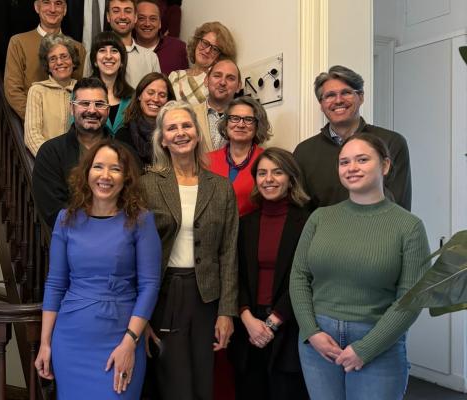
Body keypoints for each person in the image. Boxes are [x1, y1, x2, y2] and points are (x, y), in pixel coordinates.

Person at [290, 134, 430, 400]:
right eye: (344, 162)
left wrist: (366, 348)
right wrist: (312, 331)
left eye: (362, 160)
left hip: (379, 343)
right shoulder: (320, 218)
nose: (351, 168)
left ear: (385, 166)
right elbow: (299, 277)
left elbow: (411, 299)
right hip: (319, 343)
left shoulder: (408, 226)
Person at [35, 139, 162, 399]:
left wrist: (129, 341)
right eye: (98, 167)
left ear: (126, 177)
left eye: (115, 169)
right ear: (87, 172)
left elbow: (149, 286)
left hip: (120, 337)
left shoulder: (141, 220)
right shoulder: (65, 219)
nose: (105, 176)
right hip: (70, 341)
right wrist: (45, 344)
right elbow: (55, 284)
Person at [140, 100, 239, 400]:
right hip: (164, 296)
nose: (180, 132)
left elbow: (229, 251)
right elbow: (135, 253)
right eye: (172, 127)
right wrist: (140, 316)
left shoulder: (221, 187)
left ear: (197, 133)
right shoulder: (147, 185)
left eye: (186, 125)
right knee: (174, 382)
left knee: (203, 381)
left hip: (206, 297)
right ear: (162, 138)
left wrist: (227, 312)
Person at [230, 148, 310, 400]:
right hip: (249, 327)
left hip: (289, 325)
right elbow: (237, 274)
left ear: (291, 178)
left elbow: (306, 277)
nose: (269, 179)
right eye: (262, 173)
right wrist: (246, 317)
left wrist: (273, 321)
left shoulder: (308, 222)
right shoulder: (245, 223)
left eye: (277, 172)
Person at [293, 65, 412, 211]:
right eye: (330, 95)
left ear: (361, 97)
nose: (338, 101)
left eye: (346, 92)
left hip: (377, 232)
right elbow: (301, 210)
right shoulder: (304, 152)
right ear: (321, 104)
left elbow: (399, 207)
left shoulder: (392, 142)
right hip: (325, 233)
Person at [32, 77, 113, 228]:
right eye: (84, 103)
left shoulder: (124, 153)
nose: (92, 110)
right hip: (71, 244)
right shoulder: (50, 153)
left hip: (118, 243)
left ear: (107, 110)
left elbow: (132, 203)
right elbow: (53, 211)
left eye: (99, 104)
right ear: (72, 108)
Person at [3, 0, 86, 119]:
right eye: (46, 2)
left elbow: (81, 89)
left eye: (58, 3)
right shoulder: (18, 43)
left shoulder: (78, 48)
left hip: (70, 125)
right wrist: (37, 118)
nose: (52, 9)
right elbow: (13, 90)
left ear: (65, 9)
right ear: (37, 7)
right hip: (32, 125)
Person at [208, 96, 271, 217]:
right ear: (226, 124)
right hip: (211, 232)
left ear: (257, 126)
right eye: (235, 118)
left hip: (250, 232)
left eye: (248, 119)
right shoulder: (207, 160)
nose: (241, 124)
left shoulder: (267, 161)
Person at [24, 33, 79, 156]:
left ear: (73, 61)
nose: (59, 62)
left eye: (64, 56)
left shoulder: (84, 89)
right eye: (52, 59)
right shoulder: (37, 91)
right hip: (48, 164)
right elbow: (32, 135)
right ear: (48, 66)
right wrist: (51, 160)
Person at [169, 21, 236, 105]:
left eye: (215, 49)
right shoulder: (175, 76)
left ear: (220, 56)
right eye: (205, 43)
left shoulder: (216, 81)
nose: (207, 50)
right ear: (196, 42)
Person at [115, 72, 176, 165]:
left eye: (162, 95)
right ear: (139, 95)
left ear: (168, 101)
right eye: (150, 93)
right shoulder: (123, 135)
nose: (155, 99)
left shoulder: (175, 133)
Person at [105, 0, 161, 87]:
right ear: (108, 16)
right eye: (116, 11)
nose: (122, 16)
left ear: (135, 17)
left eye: (128, 11)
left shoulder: (151, 58)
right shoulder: (94, 54)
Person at [89, 32, 135, 136]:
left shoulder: (133, 97)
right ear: (95, 61)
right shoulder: (82, 92)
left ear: (122, 61)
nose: (108, 56)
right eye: (102, 50)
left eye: (114, 51)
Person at [193, 59, 242, 152]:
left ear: (239, 86)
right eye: (217, 76)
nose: (223, 82)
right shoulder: (190, 115)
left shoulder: (247, 119)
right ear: (206, 80)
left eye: (230, 78)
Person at [135, 0, 188, 75]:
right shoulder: (123, 48)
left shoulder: (178, 49)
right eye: (141, 18)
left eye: (153, 19)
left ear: (160, 23)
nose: (147, 24)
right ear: (134, 21)